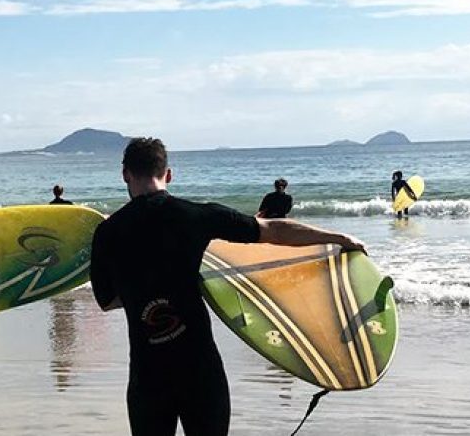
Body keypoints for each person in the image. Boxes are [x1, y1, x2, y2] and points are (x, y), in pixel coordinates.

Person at [90, 137, 366, 436]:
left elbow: (106, 301)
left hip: (148, 375)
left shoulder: (107, 232)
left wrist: (141, 291)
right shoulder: (196, 216)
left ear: (125, 175)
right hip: (199, 369)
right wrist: (339, 239)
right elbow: (271, 230)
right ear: (168, 174)